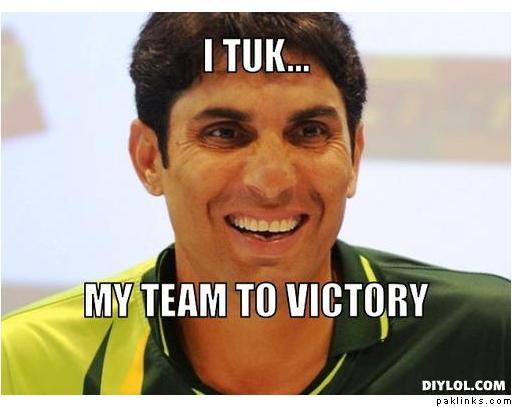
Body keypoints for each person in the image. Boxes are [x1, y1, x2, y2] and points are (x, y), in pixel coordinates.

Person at [1, 12, 509, 395]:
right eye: (225, 133)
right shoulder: (25, 364)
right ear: (149, 159)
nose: (272, 182)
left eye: (309, 132)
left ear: (354, 155)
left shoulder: (491, 339)